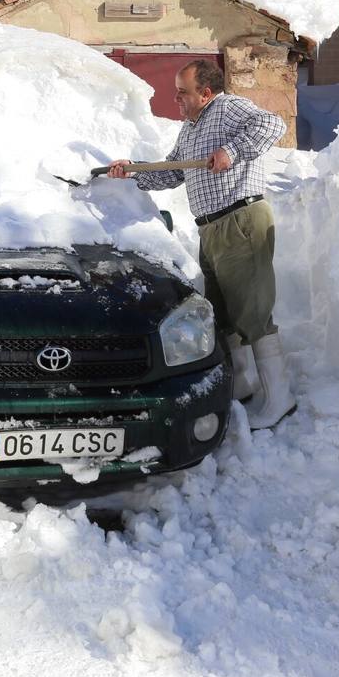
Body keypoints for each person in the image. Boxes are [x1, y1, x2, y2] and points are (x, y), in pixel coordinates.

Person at [107, 59, 295, 429]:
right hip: (211, 228)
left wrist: (232, 152)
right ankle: (243, 384)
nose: (175, 97)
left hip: (240, 219)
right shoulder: (190, 128)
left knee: (253, 313)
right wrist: (132, 172)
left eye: (182, 91)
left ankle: (281, 398)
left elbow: (273, 124)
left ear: (205, 93)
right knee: (224, 314)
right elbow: (174, 171)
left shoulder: (225, 108)